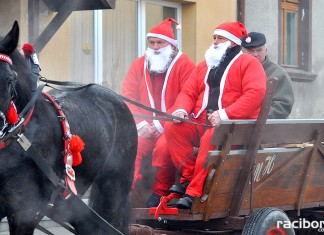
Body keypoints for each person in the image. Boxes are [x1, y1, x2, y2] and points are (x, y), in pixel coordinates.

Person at [163, 21, 267, 209]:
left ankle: (194, 192)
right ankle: (188, 178)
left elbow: (255, 94)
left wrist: (226, 114)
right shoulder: (205, 65)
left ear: (234, 42)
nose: (215, 41)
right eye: (214, 38)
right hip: (205, 121)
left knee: (212, 136)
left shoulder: (248, 63)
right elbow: (188, 92)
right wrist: (181, 109)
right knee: (173, 128)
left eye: (221, 38)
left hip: (236, 125)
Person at [121, 18, 195, 207]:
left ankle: (159, 193)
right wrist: (142, 124)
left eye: (160, 42)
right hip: (144, 125)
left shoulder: (185, 65)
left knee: (163, 150)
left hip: (172, 125)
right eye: (151, 42)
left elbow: (186, 98)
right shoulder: (138, 65)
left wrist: (161, 125)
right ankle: (125, 193)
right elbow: (128, 97)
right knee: (130, 146)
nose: (155, 47)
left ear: (170, 44)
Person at [241, 32, 294, 119]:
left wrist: (253, 117)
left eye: (259, 50)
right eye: (250, 51)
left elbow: (282, 107)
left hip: (269, 129)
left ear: (266, 50)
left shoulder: (279, 74)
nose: (255, 54)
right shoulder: (235, 72)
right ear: (242, 52)